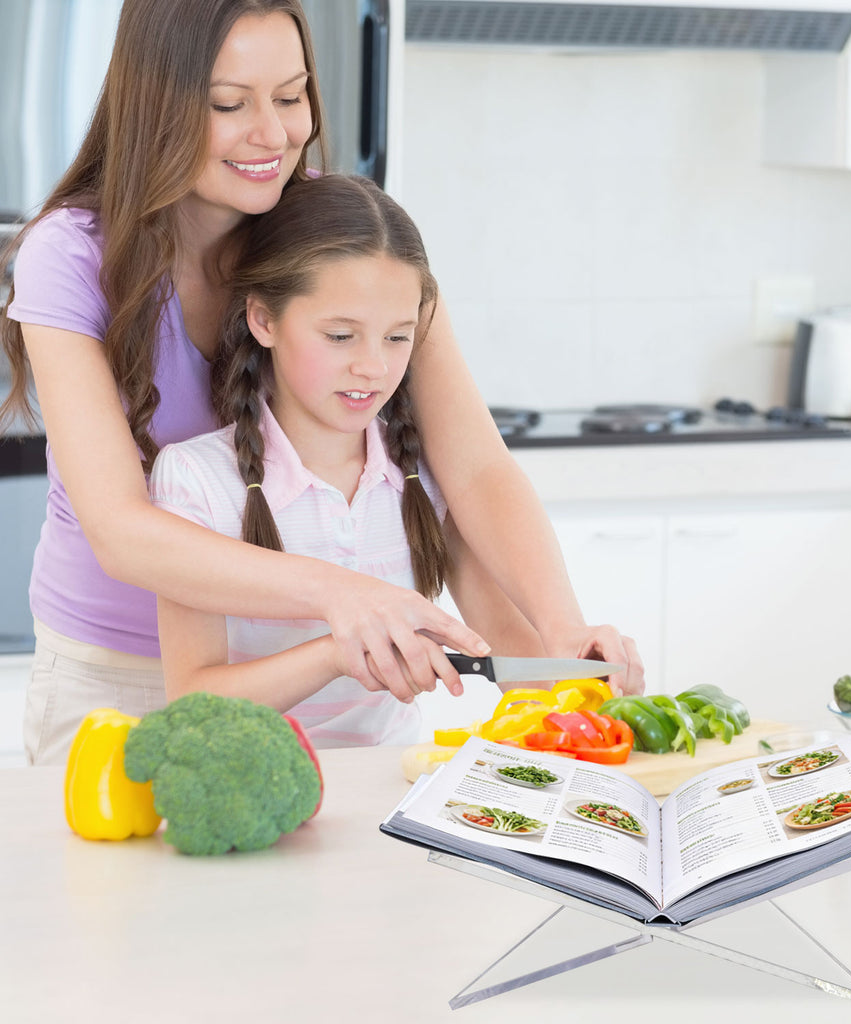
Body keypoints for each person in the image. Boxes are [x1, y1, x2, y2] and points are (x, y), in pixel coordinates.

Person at [0, 0, 643, 766]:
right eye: (229, 104)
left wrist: (559, 633)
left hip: (318, 681)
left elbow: (473, 466)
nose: (272, 135)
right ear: (157, 102)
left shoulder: (328, 225)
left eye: (292, 95)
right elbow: (120, 528)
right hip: (118, 682)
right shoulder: (71, 254)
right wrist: (340, 592)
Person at [153, 173, 528, 744]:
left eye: (397, 337)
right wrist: (337, 651)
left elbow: (511, 646)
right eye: (340, 336)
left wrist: (586, 663)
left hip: (393, 792)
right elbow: (193, 701)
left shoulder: (425, 473)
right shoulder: (197, 480)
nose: (374, 367)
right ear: (264, 319)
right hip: (260, 795)